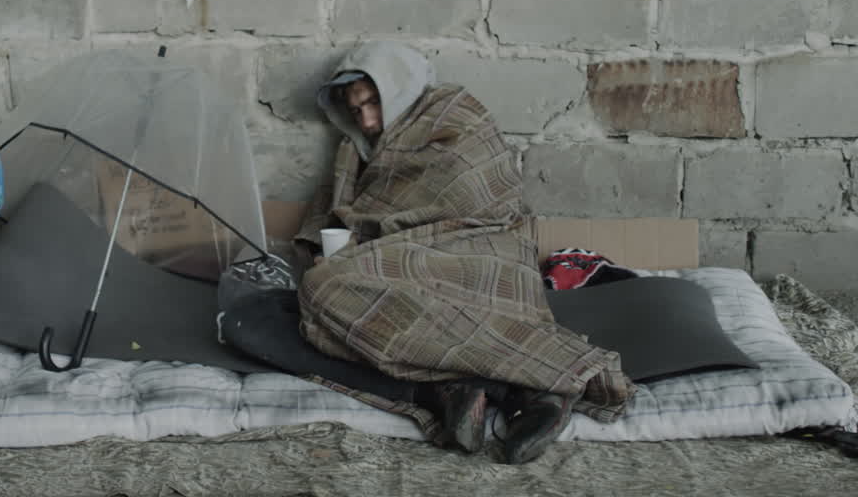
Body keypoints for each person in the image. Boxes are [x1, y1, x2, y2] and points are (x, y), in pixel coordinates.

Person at [222, 41, 633, 464]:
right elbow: (339, 217)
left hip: (476, 259)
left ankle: (525, 386)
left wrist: (358, 254)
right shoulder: (356, 151)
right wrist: (330, 254)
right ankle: (470, 391)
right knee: (259, 315)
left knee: (323, 291)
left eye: (373, 103)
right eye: (356, 110)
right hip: (394, 269)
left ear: (398, 88)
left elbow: (473, 206)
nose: (367, 121)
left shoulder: (458, 121)